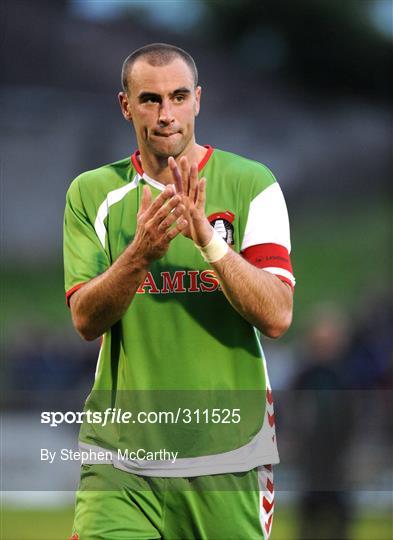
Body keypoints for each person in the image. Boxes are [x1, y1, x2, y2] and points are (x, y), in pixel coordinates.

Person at [64, 43, 295, 540]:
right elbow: (85, 319)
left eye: (178, 97)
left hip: (229, 454)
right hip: (119, 461)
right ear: (126, 105)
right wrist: (140, 254)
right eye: (150, 99)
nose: (166, 114)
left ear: (198, 100)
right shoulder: (92, 192)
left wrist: (209, 241)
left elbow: (278, 315)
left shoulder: (252, 184)